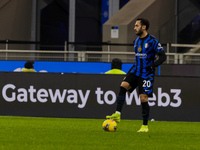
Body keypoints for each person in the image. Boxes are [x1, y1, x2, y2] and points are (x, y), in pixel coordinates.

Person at [106, 18, 166, 132]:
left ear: (143, 27)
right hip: (135, 70)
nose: (134, 28)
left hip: (146, 73)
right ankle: (117, 114)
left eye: (136, 25)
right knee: (123, 85)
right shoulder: (136, 41)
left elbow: (163, 56)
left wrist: (153, 66)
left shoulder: (153, 41)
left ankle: (144, 126)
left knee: (143, 98)